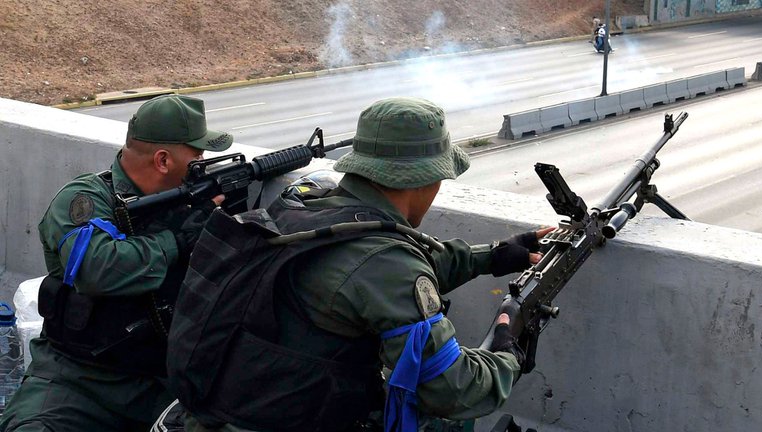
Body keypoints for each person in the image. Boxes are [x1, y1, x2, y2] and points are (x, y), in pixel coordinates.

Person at [162, 96, 553, 432]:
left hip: (216, 414)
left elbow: (378, 273)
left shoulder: (308, 207)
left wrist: (493, 256)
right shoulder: (383, 261)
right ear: (426, 179)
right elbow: (453, 390)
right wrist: (508, 353)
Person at [0, 94, 233, 432]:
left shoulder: (192, 204)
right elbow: (98, 268)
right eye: (196, 155)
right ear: (163, 160)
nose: (203, 162)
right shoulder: (85, 200)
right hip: (80, 379)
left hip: (163, 381)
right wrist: (177, 239)